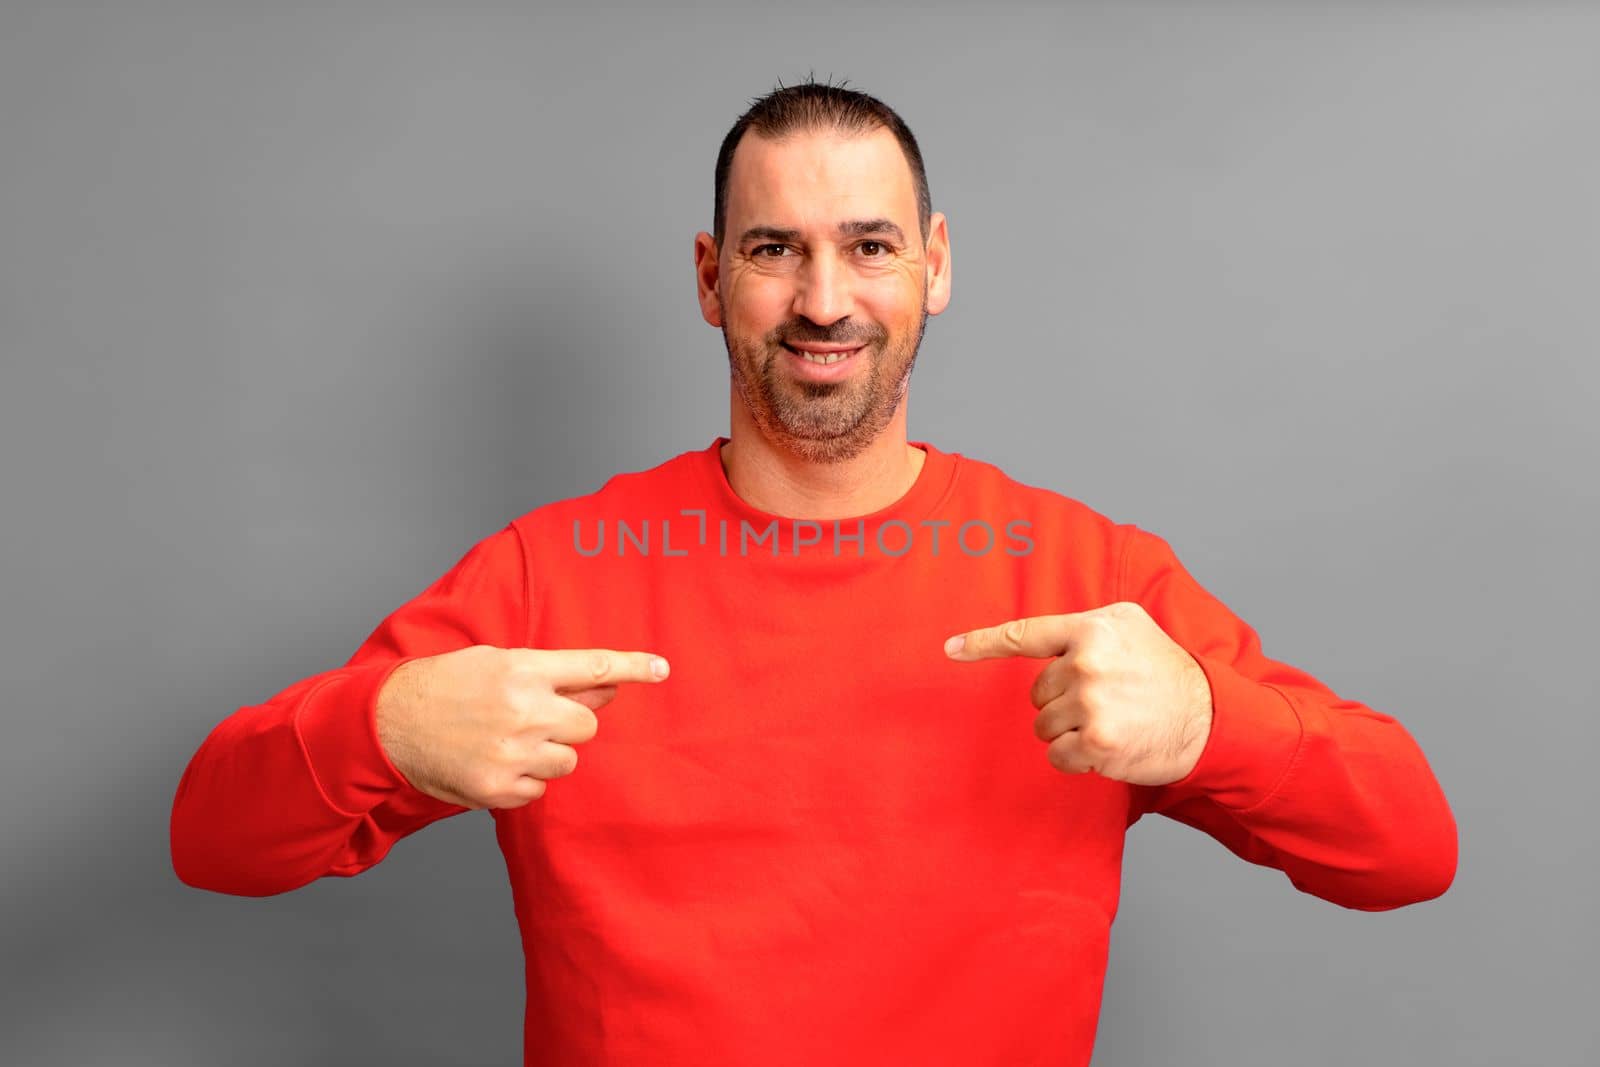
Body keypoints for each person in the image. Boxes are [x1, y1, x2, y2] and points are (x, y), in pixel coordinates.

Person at [170, 77, 1458, 1066]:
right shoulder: (546, 574)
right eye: (776, 248)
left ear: (936, 265)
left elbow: (1409, 850)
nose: (824, 298)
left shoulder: (1086, 576)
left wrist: (1207, 724)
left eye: (872, 246)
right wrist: (381, 726)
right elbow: (213, 840)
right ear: (710, 276)